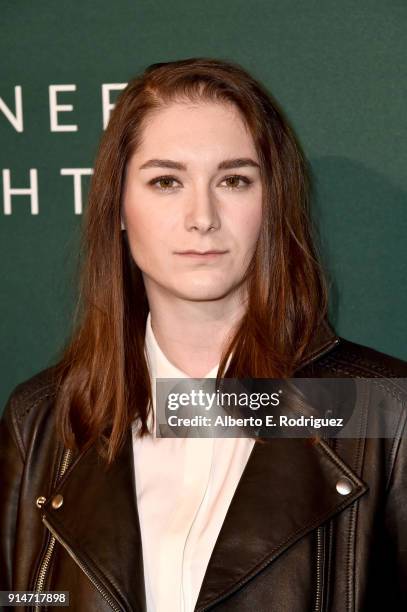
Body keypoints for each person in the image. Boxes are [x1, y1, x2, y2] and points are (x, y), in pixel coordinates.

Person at [0, 57, 406, 612]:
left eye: (234, 180)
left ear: (272, 204)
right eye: (166, 181)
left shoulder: (384, 411)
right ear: (119, 207)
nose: (202, 216)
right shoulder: (39, 421)